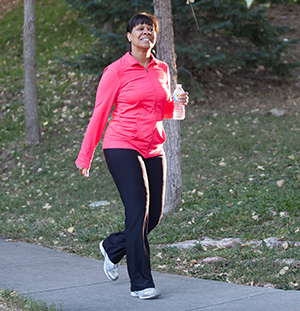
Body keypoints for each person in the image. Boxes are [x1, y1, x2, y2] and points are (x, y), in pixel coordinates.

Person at [75, 12, 188, 300]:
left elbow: (160, 110)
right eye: (140, 28)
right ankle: (141, 283)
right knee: (137, 209)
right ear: (129, 36)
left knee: (152, 217)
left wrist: (176, 103)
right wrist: (85, 156)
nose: (146, 32)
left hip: (153, 147)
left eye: (150, 29)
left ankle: (112, 247)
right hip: (121, 144)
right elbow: (100, 113)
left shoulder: (162, 69)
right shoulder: (116, 70)